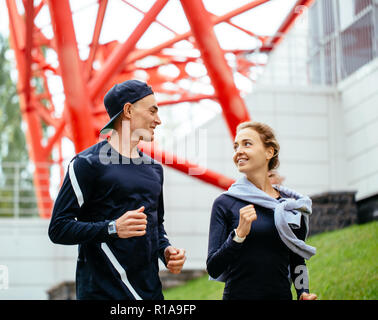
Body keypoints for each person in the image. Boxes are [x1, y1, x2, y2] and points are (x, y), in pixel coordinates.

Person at [48, 79, 186, 300]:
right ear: (129, 110)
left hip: (150, 295)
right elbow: (58, 228)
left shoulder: (154, 170)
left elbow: (155, 226)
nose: (158, 120)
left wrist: (166, 251)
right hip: (102, 295)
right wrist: (112, 228)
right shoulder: (86, 163)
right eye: (152, 111)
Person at [207, 121, 317, 300]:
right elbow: (213, 267)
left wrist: (303, 291)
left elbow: (297, 260)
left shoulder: (290, 206)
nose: (238, 151)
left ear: (269, 152)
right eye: (236, 146)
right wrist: (238, 236)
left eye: (247, 144)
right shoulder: (225, 203)